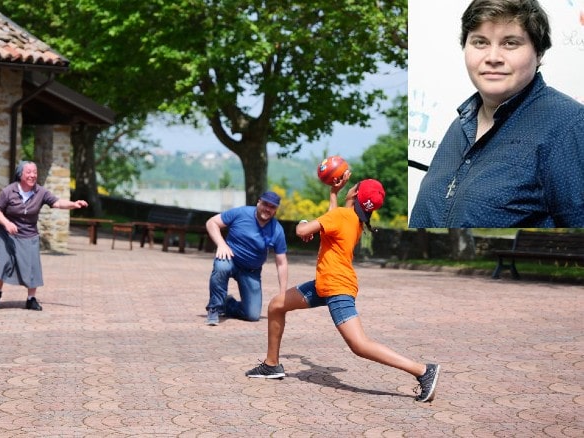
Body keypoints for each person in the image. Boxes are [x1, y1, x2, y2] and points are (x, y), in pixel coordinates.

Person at [245, 175, 441, 403]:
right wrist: (332, 194)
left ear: (355, 194)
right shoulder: (354, 220)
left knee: (359, 345)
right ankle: (271, 365)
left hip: (336, 286)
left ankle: (423, 371)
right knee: (277, 305)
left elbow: (303, 231)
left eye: (355, 186)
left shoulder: (342, 216)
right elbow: (331, 219)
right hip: (324, 284)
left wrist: (303, 223)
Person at [409, 0, 584, 228]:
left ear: (538, 52)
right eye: (480, 42)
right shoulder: (460, 126)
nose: (493, 57)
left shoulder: (568, 125)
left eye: (510, 43)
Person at [0, 161, 88, 311]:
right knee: (2, 261)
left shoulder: (41, 192)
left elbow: (58, 203)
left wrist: (74, 204)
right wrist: (7, 223)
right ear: (20, 174)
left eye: (34, 172)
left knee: (32, 267)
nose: (32, 175)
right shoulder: (8, 191)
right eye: (28, 172)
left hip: (29, 234)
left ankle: (31, 299)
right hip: (6, 234)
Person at [204, 191, 288, 326]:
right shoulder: (241, 213)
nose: (267, 209)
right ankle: (215, 307)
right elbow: (211, 222)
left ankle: (227, 304)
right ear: (258, 202)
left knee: (253, 315)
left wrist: (283, 294)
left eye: (272, 207)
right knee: (221, 266)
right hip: (230, 258)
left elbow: (281, 262)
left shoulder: (277, 230)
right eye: (265, 204)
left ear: (276, 210)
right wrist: (221, 244)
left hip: (251, 271)